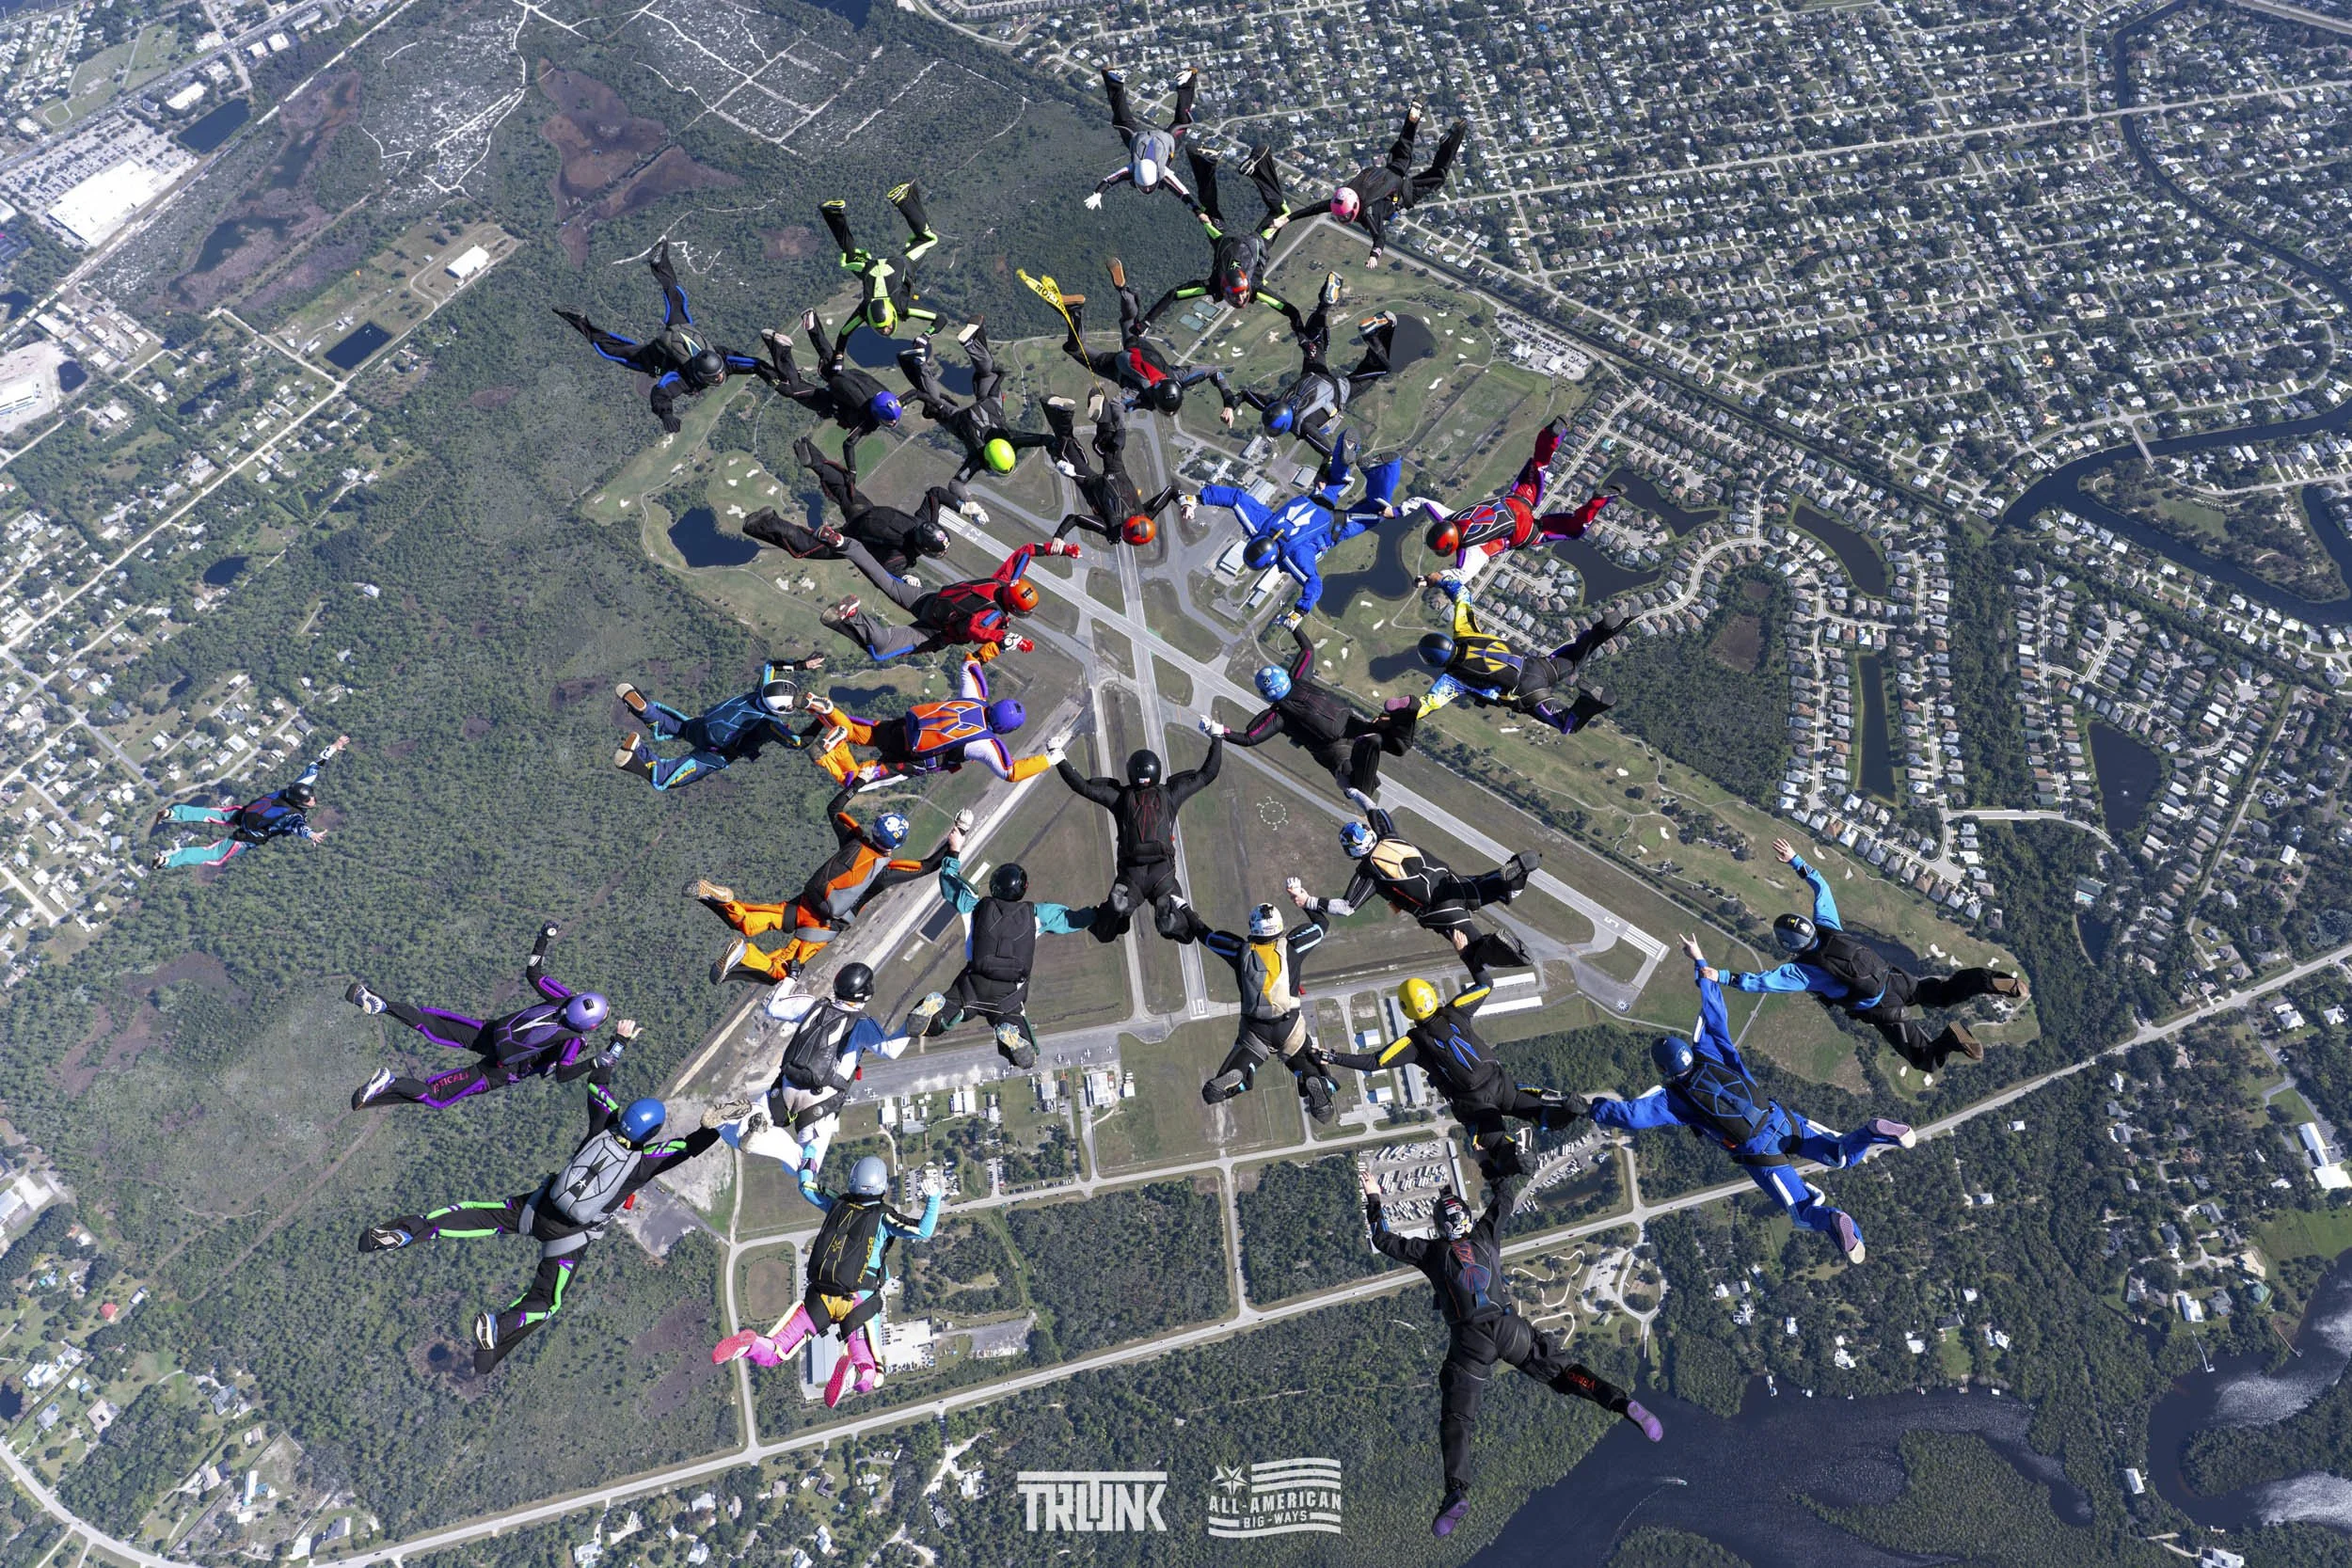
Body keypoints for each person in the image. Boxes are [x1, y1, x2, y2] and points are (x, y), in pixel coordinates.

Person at [1364, 1163, 1660, 1539]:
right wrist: (1494, 1160)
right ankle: (1620, 1404)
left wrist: (1375, 1195)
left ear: (1439, 1227)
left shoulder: (1433, 1253)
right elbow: (1505, 1197)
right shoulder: (1486, 1235)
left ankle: (1457, 1489)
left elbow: (1383, 1240)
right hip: (1509, 1328)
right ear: (1467, 1222)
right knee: (1567, 1373)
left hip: (1470, 1342)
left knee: (1458, 1418)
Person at [1589, 935, 1916, 1264]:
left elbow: (1630, 1117)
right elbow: (1714, 1008)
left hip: (1760, 1153)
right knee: (1842, 1154)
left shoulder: (1673, 1099)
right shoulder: (1709, 1050)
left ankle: (1834, 1219)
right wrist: (1699, 958)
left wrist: (1590, 1108)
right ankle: (1874, 1130)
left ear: (1663, 1070)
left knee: (1804, 1212)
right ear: (1687, 1051)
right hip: (1782, 1119)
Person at [360, 1076, 722, 1373]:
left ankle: (408, 1231)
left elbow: (598, 1083)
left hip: (536, 1207)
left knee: (478, 1215)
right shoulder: (646, 1161)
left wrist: (617, 1044)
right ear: (652, 1132)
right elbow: (689, 1146)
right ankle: (497, 1330)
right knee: (546, 1301)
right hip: (569, 1237)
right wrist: (713, 1128)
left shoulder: (605, 1121)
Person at [1723, 838, 2028, 1074]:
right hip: (1894, 979)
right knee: (1943, 993)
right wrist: (1795, 861)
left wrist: (1719, 976)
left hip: (1882, 1009)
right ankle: (1991, 981)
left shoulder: (1803, 971)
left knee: (1926, 1061)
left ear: (1790, 947)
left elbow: (1758, 983)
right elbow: (1821, 887)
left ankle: (1951, 1039)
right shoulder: (1827, 926)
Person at [711, 1156, 941, 1408]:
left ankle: (749, 1345)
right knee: (872, 1375)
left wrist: (809, 1152)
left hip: (819, 1295)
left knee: (776, 1351)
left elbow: (807, 1187)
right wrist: (934, 1198)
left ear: (853, 1181)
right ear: (882, 1186)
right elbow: (923, 1230)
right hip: (857, 1302)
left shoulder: (837, 1203)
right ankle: (853, 1371)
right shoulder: (884, 1218)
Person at [346, 922, 630, 1112]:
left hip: (489, 1033)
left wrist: (543, 938)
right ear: (590, 1026)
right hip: (498, 1070)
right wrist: (608, 1053)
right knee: (436, 1096)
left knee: (428, 1023)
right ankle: (389, 1082)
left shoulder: (561, 999)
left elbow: (534, 973)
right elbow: (564, 1074)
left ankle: (381, 1004)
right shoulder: (573, 1041)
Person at [1319, 978, 1581, 1178]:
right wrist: (1463, 941)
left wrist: (1332, 1057)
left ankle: (1515, 1155)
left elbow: (1374, 1062)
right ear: (1432, 996)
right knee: (1536, 1111)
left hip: (1474, 1105)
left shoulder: (1414, 1042)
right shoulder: (1456, 1011)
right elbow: (1485, 984)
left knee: (1496, 1145)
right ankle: (1564, 1111)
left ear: (1405, 1010)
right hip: (1500, 1084)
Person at [691, 791, 954, 984]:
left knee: (747, 921)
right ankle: (744, 953)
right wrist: (957, 837)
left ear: (875, 829)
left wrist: (860, 781)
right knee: (782, 972)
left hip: (803, 903)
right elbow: (929, 866)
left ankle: (724, 901)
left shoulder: (853, 839)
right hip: (824, 925)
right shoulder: (884, 871)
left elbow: (834, 808)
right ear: (896, 845)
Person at [706, 965, 939, 1179]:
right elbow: (889, 1050)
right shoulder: (861, 1024)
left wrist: (791, 978)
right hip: (821, 1101)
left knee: (733, 1134)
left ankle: (747, 1115)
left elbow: (773, 1007)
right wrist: (909, 1030)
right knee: (802, 1168)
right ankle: (759, 1125)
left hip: (785, 1086)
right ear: (867, 994)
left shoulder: (813, 1006)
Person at [908, 827, 1097, 1069]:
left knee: (941, 1019)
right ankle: (1009, 1031)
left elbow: (949, 884)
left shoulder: (975, 908)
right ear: (1023, 889)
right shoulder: (1038, 915)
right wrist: (1105, 912)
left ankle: (939, 1008)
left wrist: (954, 850)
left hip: (973, 985)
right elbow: (1075, 920)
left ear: (994, 887)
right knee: (1024, 1050)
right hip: (1007, 996)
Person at [1290, 804, 1537, 986]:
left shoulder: (1369, 871)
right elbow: (1377, 811)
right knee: (1499, 891)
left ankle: (1510, 953)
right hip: (1452, 883)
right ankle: (1514, 875)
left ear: (1352, 850)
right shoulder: (1390, 837)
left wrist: (1308, 901)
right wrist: (1353, 791)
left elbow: (1346, 907)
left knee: (1478, 962)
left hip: (1440, 909)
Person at [1186, 429, 1402, 626]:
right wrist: (1196, 499)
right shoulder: (1260, 527)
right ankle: (1347, 453)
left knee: (1377, 512)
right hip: (1317, 500)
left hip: (1334, 529)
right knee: (1335, 478)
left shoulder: (1293, 557)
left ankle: (1388, 468)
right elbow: (1235, 498)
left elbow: (1313, 582)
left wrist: (1299, 611)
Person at [555, 241, 770, 434]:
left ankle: (660, 262)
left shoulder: (724, 360)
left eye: (719, 375)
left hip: (681, 329)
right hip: (656, 356)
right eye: (714, 378)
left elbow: (756, 364)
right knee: (613, 350)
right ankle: (578, 320)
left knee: (676, 298)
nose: (720, 379)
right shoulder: (682, 379)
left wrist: (776, 376)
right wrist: (666, 414)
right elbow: (660, 392)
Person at [1165, 898, 1338, 1121]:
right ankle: (1316, 1086)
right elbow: (1321, 925)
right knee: (1306, 1061)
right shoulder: (1293, 946)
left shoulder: (1239, 950)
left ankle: (1239, 1077)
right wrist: (1303, 900)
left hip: (1255, 1030)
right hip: (1290, 1026)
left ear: (1252, 926)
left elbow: (1204, 934)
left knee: (1223, 1081)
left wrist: (1184, 908)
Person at [1201, 624, 1417, 799]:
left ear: (1266, 694)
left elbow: (1249, 738)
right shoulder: (1299, 680)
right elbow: (1307, 650)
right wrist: (1294, 627)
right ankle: (1408, 712)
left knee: (1355, 786)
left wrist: (1218, 730)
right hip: (1352, 724)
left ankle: (1366, 780)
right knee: (1399, 746)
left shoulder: (1278, 715)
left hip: (1334, 749)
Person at [1413, 575, 1629, 736]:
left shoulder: (1452, 680)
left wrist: (1392, 716)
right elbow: (1462, 596)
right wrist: (1440, 580)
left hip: (1529, 694)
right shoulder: (1465, 632)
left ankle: (1588, 702)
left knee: (1568, 725)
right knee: (1575, 657)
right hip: (1538, 666)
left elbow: (1425, 705)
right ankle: (1610, 627)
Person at [1057, 734, 1221, 941]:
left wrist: (1059, 759)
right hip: (1163, 875)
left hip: (1131, 876)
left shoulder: (1120, 798)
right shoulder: (1170, 794)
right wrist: (1216, 738)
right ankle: (1169, 917)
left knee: (1105, 933)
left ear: (1130, 773)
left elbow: (1082, 786)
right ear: (1158, 772)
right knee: (1186, 934)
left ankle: (1117, 912)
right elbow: (1209, 773)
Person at [797, 657, 1057, 788]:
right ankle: (835, 751)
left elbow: (969, 664)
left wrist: (990, 651)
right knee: (853, 780)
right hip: (908, 760)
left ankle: (827, 709)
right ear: (1006, 730)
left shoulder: (975, 697)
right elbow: (1010, 772)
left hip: (900, 729)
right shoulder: (985, 744)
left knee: (857, 731)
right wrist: (1049, 760)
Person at [1028, 260, 1237, 421]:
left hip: (1138, 345)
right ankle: (1075, 313)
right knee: (1075, 349)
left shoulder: (1180, 378)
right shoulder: (1140, 395)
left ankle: (1124, 291)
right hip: (1117, 365)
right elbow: (1117, 406)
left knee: (1129, 320)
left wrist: (1228, 401)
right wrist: (1116, 427)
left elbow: (1214, 371)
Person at [1418, 419, 1606, 586]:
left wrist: (1427, 580)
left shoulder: (1472, 551)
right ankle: (1551, 436)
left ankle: (1600, 501)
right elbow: (1423, 503)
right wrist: (1394, 511)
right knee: (1538, 466)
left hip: (1523, 531)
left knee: (1573, 529)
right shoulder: (1449, 518)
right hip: (1514, 502)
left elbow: (1459, 576)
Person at [822, 538, 1072, 664]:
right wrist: (1002, 638)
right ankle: (853, 615)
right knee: (882, 649)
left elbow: (1025, 551)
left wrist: (1058, 549)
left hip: (930, 600)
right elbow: (976, 629)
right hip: (932, 631)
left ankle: (847, 545)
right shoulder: (993, 617)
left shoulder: (1003, 583)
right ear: (1014, 609)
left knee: (886, 581)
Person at [739, 436, 952, 578]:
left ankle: (814, 458)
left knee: (844, 487)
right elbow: (887, 570)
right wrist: (905, 575)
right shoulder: (903, 555)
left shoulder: (924, 522)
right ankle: (763, 522)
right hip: (855, 535)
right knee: (805, 546)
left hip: (866, 512)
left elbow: (935, 494)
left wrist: (962, 505)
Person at [896, 323, 1051, 515]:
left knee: (987, 373)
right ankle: (919, 361)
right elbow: (955, 483)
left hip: (989, 404)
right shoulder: (978, 459)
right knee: (934, 402)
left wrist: (1059, 448)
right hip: (961, 419)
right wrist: (968, 503)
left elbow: (1043, 439)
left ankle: (970, 344)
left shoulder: (1012, 439)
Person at [1240, 275, 1397, 457]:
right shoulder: (1276, 404)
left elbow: (1327, 451)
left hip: (1339, 391)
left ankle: (1372, 334)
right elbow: (1248, 395)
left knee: (1377, 370)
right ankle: (1324, 305)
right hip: (1313, 373)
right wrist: (1232, 402)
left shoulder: (1304, 427)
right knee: (1314, 341)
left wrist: (1330, 472)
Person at [1142, 145, 1298, 320]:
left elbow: (1173, 294)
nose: (1240, 299)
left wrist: (1145, 323)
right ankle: (1210, 162)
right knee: (1211, 210)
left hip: (1241, 241)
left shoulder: (1221, 287)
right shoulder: (1224, 287)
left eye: (1238, 295)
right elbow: (1290, 311)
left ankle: (1247, 164)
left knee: (1281, 213)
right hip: (1242, 242)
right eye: (1241, 295)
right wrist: (1145, 323)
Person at [151, 734, 348, 870]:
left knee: (214, 815)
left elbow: (314, 767)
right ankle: (166, 861)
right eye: (309, 799)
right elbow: (298, 827)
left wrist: (333, 747)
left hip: (245, 813)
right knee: (213, 854)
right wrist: (311, 834)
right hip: (249, 836)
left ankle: (173, 814)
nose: (313, 800)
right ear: (301, 802)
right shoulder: (293, 815)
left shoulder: (294, 788)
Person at [613, 661, 818, 790]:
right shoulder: (769, 723)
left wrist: (801, 665)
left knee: (675, 725)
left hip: (702, 726)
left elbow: (771, 666)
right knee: (665, 778)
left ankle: (645, 709)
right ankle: (636, 753)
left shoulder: (760, 690)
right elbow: (798, 743)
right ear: (781, 709)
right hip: (717, 753)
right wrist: (822, 718)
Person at [763, 313, 903, 479]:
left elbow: (914, 394)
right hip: (830, 401)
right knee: (792, 389)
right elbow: (849, 444)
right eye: (889, 421)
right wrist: (852, 471)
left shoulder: (890, 399)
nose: (892, 423)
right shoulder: (867, 423)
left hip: (845, 379)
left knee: (831, 362)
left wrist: (937, 401)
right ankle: (779, 351)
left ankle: (812, 323)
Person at [1041, 390, 1184, 550]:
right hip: (1091, 484)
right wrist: (1059, 537)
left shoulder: (1145, 515)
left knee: (1109, 442)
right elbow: (1075, 519)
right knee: (1066, 444)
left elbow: (1171, 490)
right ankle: (1063, 412)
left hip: (1115, 473)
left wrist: (1184, 502)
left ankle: (1101, 414)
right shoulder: (1111, 529)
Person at [1330, 106, 1468, 263]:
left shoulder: (1369, 216)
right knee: (1403, 151)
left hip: (1403, 196)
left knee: (1438, 175)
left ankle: (1454, 137)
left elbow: (1380, 237)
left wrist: (1374, 255)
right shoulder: (1354, 193)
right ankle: (1412, 119)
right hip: (1388, 177)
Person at [818, 182, 939, 340]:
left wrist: (925, 336)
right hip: (870, 269)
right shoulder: (866, 311)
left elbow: (940, 319)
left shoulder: (904, 307)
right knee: (850, 255)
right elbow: (844, 333)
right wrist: (839, 356)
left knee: (927, 239)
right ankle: (833, 214)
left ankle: (903, 199)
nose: (885, 329)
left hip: (900, 264)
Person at [1085, 65, 1201, 211]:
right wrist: (1098, 193)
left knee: (1182, 123)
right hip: (1140, 140)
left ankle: (1187, 82)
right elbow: (1109, 180)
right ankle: (1113, 80)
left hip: (1163, 140)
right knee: (1123, 120)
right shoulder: (1134, 169)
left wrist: (1198, 212)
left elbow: (1183, 194)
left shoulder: (1161, 173)